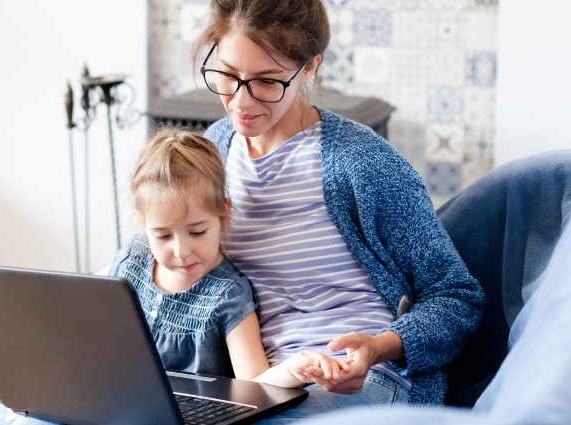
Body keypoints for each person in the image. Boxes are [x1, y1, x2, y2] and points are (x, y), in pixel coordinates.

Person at [191, 0, 484, 419]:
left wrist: (379, 346)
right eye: (228, 74)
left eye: (267, 81)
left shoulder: (362, 163)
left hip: (367, 379)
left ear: (309, 67)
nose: (241, 100)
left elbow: (457, 297)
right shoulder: (214, 150)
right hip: (264, 383)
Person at [0, 129, 340, 425]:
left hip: (185, 416)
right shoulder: (134, 259)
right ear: (144, 225)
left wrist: (294, 369)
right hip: (114, 403)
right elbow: (77, 302)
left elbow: (253, 386)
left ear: (224, 217)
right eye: (163, 235)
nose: (181, 251)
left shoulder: (227, 294)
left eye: (197, 232)